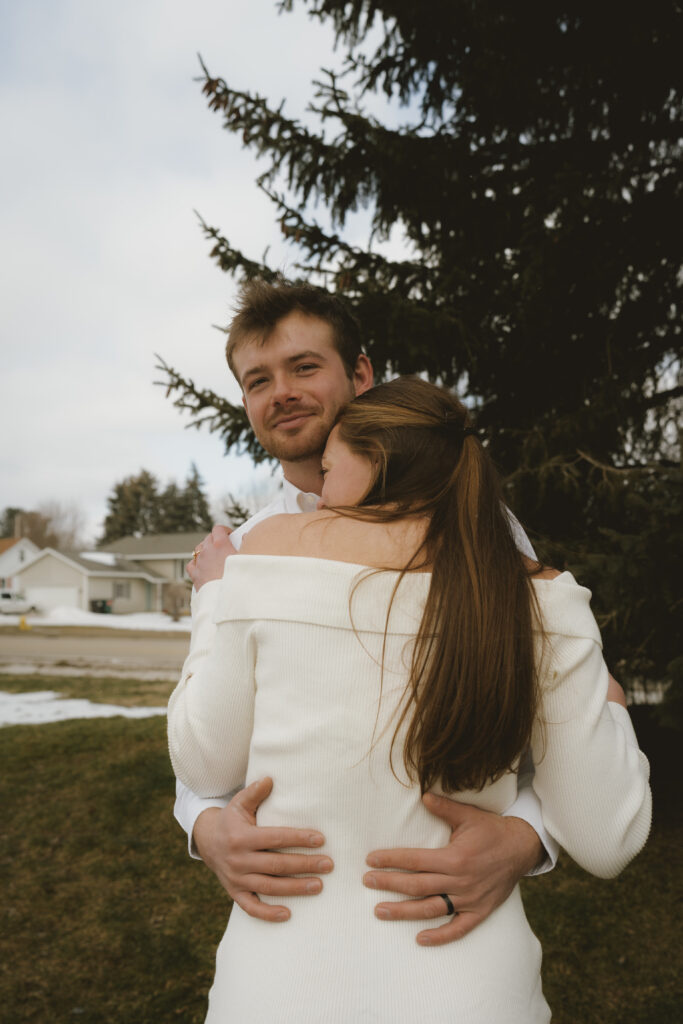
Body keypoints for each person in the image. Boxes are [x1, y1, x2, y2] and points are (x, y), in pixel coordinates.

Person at [168, 376, 651, 1023]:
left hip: (274, 990)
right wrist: (610, 700)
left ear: (375, 466)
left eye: (330, 469)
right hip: (474, 995)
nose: (318, 493)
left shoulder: (267, 563)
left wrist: (212, 599)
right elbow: (607, 836)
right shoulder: (540, 597)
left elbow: (203, 764)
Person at [175, 279, 561, 945]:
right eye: (257, 380)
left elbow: (563, 710)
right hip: (290, 930)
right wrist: (206, 827)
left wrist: (523, 840)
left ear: (359, 374)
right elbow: (207, 731)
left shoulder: (473, 526)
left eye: (303, 367)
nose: (281, 393)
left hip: (442, 929)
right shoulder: (237, 555)